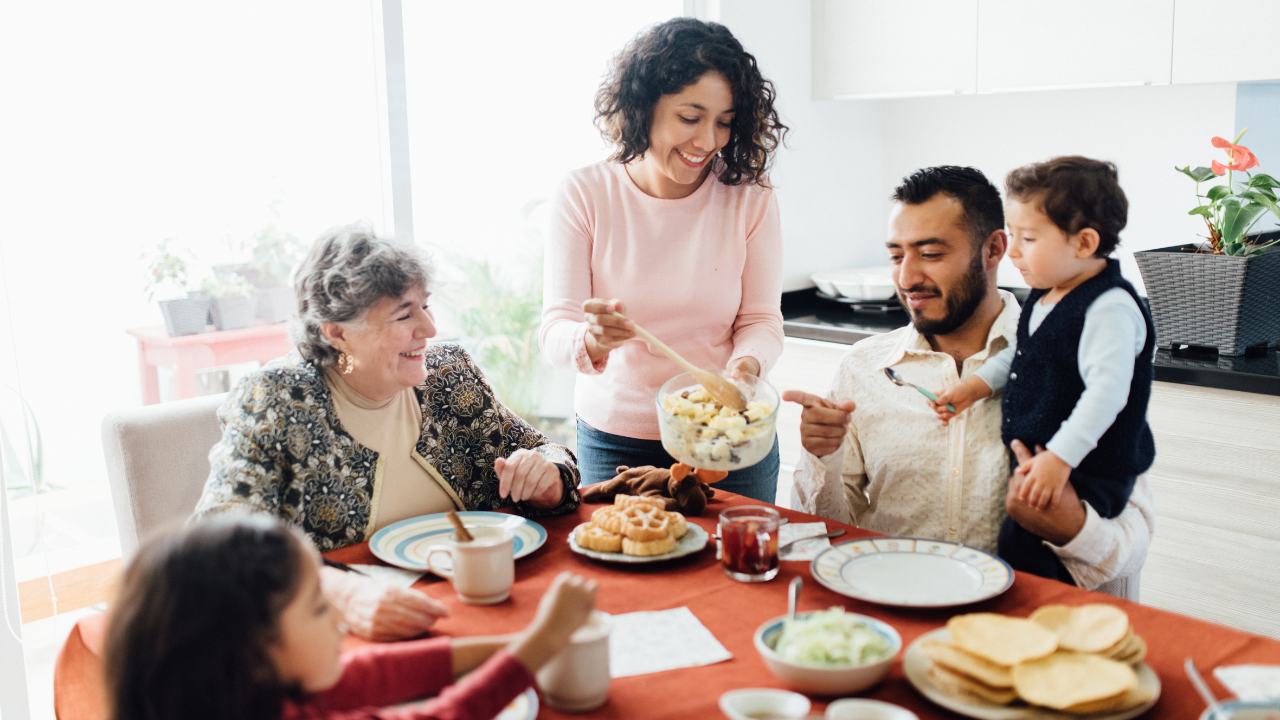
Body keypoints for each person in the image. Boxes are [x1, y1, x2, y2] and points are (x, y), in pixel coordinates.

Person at [194, 224, 581, 640]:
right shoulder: (276, 400)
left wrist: (548, 479)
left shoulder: (449, 374)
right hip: (349, 630)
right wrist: (342, 595)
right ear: (337, 332)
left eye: (426, 306)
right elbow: (219, 544)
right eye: (404, 314)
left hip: (488, 603)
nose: (429, 328)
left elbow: (548, 453)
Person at [786, 166, 1155, 600]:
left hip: (1020, 617)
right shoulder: (862, 368)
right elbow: (819, 532)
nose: (906, 279)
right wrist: (821, 456)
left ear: (995, 248)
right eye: (896, 255)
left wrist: (1073, 529)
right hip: (890, 606)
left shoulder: (1077, 354)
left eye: (931, 253)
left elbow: (1132, 542)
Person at [540, 17, 788, 502]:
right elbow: (555, 331)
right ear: (642, 106)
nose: (708, 141)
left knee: (736, 573)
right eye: (690, 118)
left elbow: (761, 319)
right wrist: (590, 340)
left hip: (727, 438)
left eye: (724, 121)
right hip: (616, 439)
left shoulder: (749, 197)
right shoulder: (584, 193)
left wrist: (744, 370)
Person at [105, 514, 598, 720]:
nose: (340, 623)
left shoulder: (249, 697)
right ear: (253, 650)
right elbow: (445, 717)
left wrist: (522, 638)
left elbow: (371, 675)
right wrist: (544, 640)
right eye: (321, 608)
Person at [931, 157, 1156, 583]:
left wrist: (1060, 459)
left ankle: (1050, 616)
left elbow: (1106, 394)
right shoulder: (1045, 294)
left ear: (1085, 243)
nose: (1012, 250)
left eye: (1028, 238)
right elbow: (1021, 353)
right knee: (1019, 545)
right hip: (1049, 461)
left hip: (1091, 467)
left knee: (1045, 558)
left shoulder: (1110, 307)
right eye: (1012, 235)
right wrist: (975, 387)